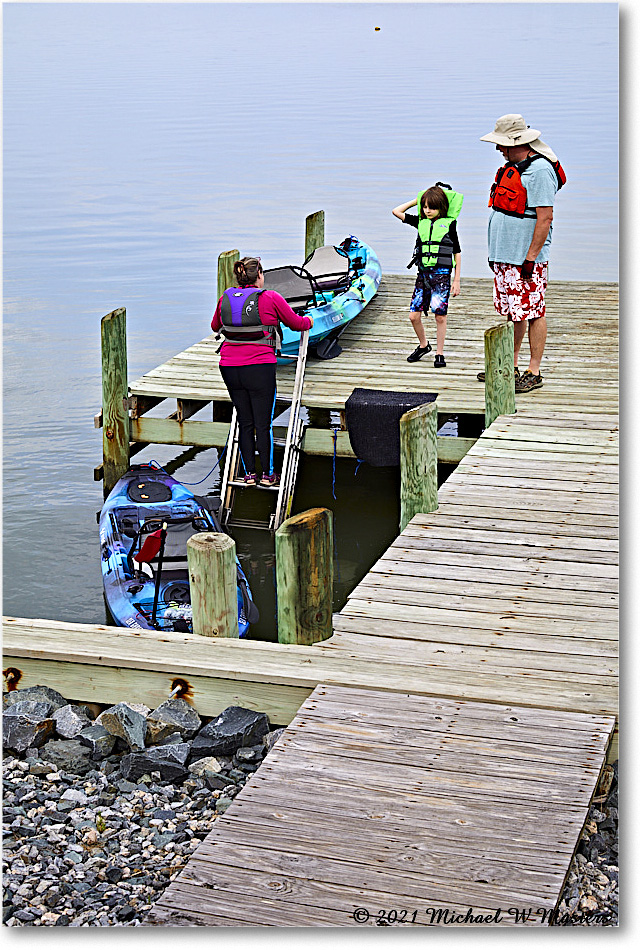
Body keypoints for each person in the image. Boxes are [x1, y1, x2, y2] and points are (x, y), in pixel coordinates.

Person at [478, 114, 565, 393]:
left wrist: (531, 258)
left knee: (534, 311)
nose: (498, 149)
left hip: (525, 259)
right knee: (513, 312)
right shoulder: (513, 167)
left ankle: (533, 370)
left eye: (502, 144)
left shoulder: (539, 171)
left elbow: (545, 218)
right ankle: (509, 365)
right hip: (505, 256)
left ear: (519, 142)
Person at [211, 256, 313, 486]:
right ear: (258, 276)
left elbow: (215, 326)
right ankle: (267, 475)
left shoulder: (226, 297)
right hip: (259, 368)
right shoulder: (270, 297)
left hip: (229, 367)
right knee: (263, 423)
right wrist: (309, 322)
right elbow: (296, 323)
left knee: (245, 422)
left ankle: (248, 475)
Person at [392, 184, 462, 367]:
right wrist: (419, 198)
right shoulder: (420, 222)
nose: (427, 211)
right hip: (423, 275)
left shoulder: (449, 224)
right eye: (425, 207)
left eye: (432, 207)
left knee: (440, 316)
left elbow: (457, 252)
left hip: (441, 276)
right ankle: (424, 345)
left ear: (442, 207)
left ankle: (440, 353)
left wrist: (456, 280)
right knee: (414, 316)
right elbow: (396, 211)